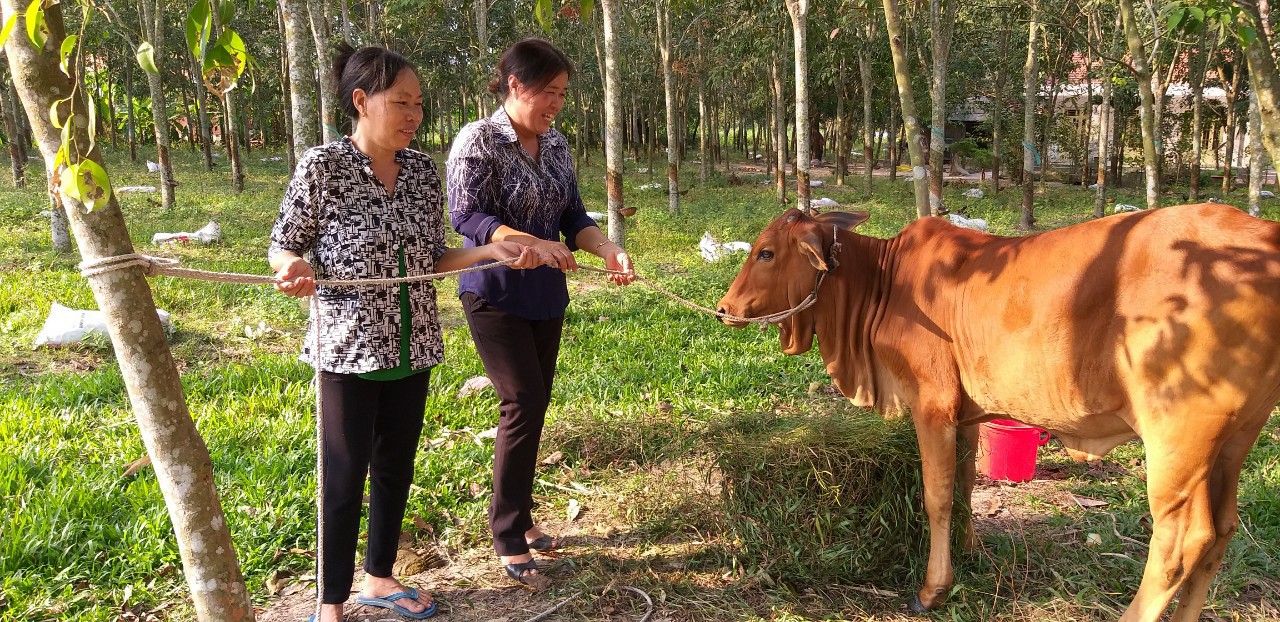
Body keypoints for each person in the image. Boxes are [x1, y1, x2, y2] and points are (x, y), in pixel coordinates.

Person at [270, 43, 538, 622]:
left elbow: (431, 257)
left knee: (395, 467)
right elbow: (285, 240)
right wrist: (289, 265)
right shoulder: (323, 167)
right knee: (342, 477)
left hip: (413, 344)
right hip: (348, 347)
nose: (415, 115)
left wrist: (491, 250)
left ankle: (378, 578)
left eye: (419, 104)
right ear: (362, 102)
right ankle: (329, 603)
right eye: (402, 102)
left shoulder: (420, 172)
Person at [446, 37, 635, 585]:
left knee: (535, 403)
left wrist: (607, 249)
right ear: (515, 85)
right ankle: (507, 533)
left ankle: (522, 520)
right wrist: (524, 239)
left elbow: (574, 214)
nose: (555, 105)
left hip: (546, 293)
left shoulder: (555, 145)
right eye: (547, 93)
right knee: (521, 400)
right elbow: (468, 216)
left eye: (562, 95)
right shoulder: (479, 139)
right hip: (494, 291)